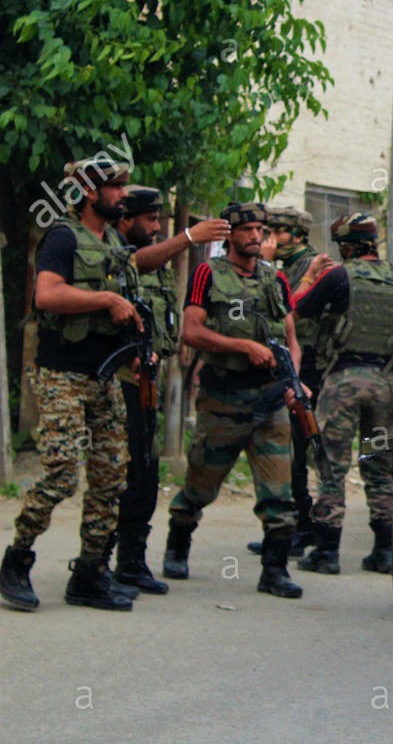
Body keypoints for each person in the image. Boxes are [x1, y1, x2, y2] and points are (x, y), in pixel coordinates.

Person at [0, 159, 224, 612]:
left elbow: (137, 263)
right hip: (62, 373)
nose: (123, 194)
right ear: (88, 192)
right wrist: (105, 298)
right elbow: (46, 294)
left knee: (110, 476)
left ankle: (89, 572)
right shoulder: (62, 237)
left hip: (105, 374)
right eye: (115, 186)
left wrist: (186, 240)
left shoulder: (114, 239)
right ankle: (16, 559)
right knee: (63, 475)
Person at [163, 202, 305, 600]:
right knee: (200, 485)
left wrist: (293, 378)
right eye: (248, 230)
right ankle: (178, 541)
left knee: (279, 492)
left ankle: (274, 570)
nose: (256, 236)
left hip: (270, 399)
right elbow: (191, 331)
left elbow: (292, 341)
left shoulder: (275, 279)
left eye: (261, 229)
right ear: (230, 235)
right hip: (224, 398)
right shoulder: (209, 273)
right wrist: (241, 345)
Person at [107, 186, 228, 595]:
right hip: (114, 385)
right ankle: (97, 562)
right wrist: (191, 238)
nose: (157, 227)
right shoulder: (112, 257)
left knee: (144, 474)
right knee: (116, 477)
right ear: (125, 221)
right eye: (150, 219)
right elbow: (129, 267)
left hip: (145, 384)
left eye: (161, 219)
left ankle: (131, 561)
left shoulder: (156, 263)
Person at [293, 213, 393, 575]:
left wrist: (308, 276)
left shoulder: (338, 276)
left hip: (341, 383)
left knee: (331, 466)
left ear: (347, 247)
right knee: (379, 468)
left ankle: (327, 552)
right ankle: (384, 551)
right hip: (385, 386)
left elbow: (296, 308)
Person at [245, 206, 321, 558]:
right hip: (286, 366)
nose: (268, 238)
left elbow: (282, 309)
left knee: (295, 452)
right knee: (286, 454)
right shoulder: (287, 268)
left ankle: (300, 527)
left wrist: (267, 264)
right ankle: (291, 525)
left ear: (297, 234)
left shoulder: (309, 267)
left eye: (277, 231)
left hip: (306, 369)